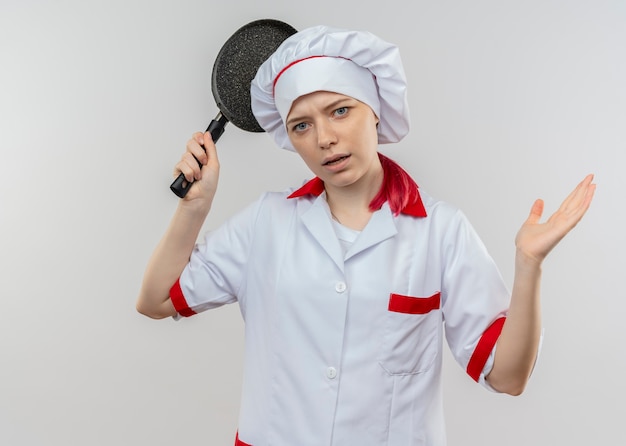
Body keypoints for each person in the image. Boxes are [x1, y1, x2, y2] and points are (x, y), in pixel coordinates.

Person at [136, 25, 596, 446]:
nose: (324, 138)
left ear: (375, 112)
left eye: (340, 111)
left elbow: (508, 377)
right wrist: (194, 207)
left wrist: (528, 266)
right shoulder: (265, 223)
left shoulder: (440, 230)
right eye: (302, 125)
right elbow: (155, 301)